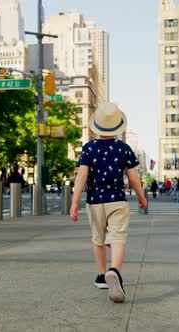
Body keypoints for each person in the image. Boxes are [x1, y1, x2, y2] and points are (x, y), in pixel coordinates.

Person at [70, 103, 148, 303]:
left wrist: (74, 202)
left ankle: (102, 275)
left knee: (98, 239)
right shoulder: (124, 149)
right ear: (117, 127)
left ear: (96, 125)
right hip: (117, 201)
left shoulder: (88, 148)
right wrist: (141, 197)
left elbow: (82, 176)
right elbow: (134, 177)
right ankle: (115, 270)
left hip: (95, 201)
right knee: (118, 237)